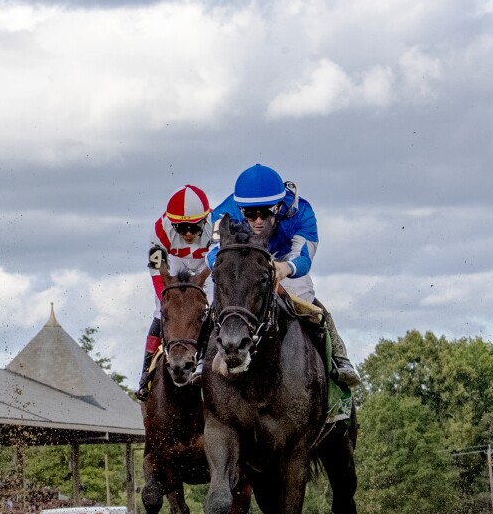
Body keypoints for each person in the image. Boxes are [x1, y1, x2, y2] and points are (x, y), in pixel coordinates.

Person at [206, 163, 360, 387]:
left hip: (284, 258)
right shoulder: (223, 214)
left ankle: (338, 359)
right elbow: (212, 254)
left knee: (304, 296)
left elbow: (304, 258)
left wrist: (283, 268)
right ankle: (201, 360)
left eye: (266, 212)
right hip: (242, 260)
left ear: (278, 206)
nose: (258, 220)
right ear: (240, 208)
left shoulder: (302, 212)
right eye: (250, 214)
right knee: (220, 296)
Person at [137, 184, 213, 400]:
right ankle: (145, 376)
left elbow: (220, 264)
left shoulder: (216, 225)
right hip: (174, 263)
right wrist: (166, 297)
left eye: (194, 228)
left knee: (214, 310)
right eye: (181, 228)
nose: (188, 234)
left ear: (205, 221)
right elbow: (156, 270)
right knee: (160, 313)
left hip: (207, 265)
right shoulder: (159, 230)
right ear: (172, 224)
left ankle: (206, 360)